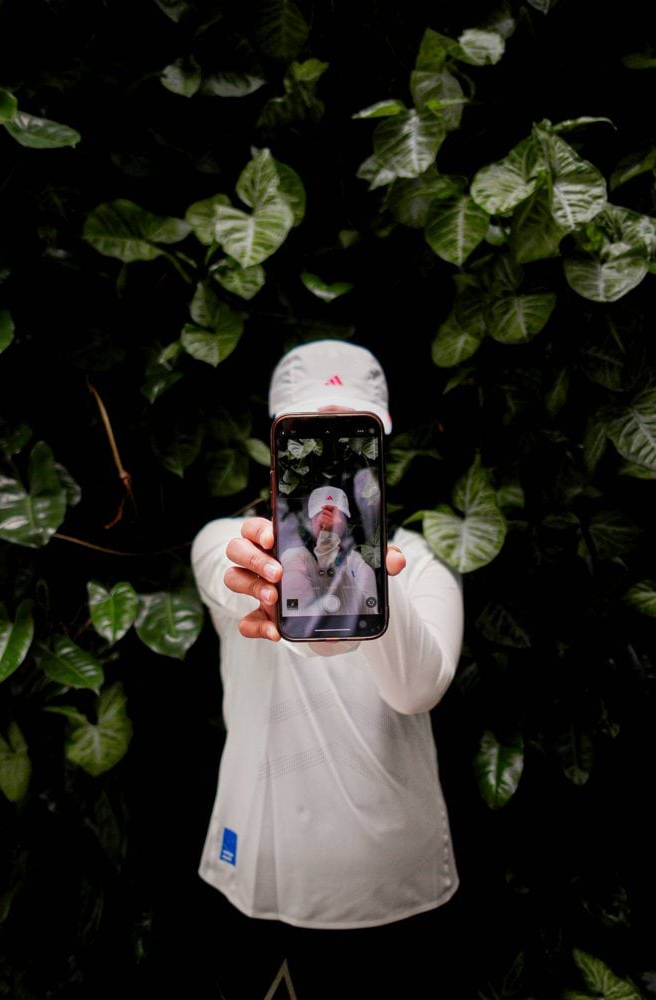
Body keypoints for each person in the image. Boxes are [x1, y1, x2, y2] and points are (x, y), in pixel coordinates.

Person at [191, 340, 465, 997]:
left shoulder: (418, 562)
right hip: (259, 869)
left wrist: (366, 578)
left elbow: (416, 688)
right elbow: (235, 582)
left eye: (354, 434)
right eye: (312, 434)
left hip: (394, 881)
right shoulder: (229, 543)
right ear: (277, 445)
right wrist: (263, 582)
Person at [280, 485, 378, 619]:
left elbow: (369, 612)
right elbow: (295, 616)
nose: (326, 519)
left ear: (345, 518)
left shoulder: (358, 564)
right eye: (319, 514)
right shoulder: (296, 556)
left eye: (334, 512)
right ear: (311, 520)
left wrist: (327, 539)